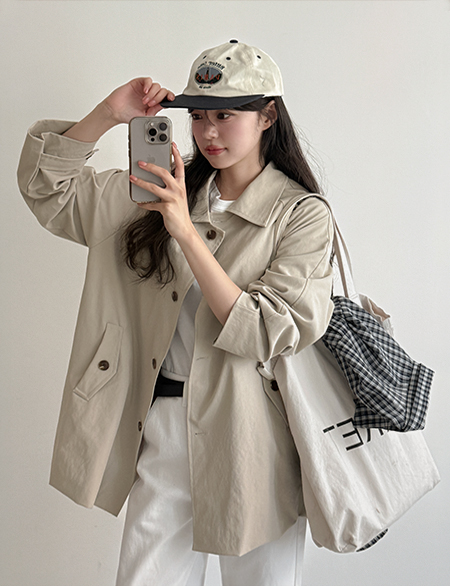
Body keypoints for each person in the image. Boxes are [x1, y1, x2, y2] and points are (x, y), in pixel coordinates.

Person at [17, 40, 335, 585]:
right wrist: (109, 114)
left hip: (254, 436)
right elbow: (48, 190)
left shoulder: (301, 215)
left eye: (225, 116)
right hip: (162, 426)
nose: (208, 132)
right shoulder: (149, 192)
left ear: (267, 115)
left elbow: (266, 329)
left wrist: (184, 230)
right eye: (198, 116)